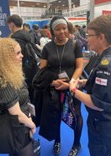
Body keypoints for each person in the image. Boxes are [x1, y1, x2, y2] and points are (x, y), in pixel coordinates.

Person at [69, 15, 111, 156]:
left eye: (89, 35)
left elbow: (97, 103)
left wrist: (73, 90)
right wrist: (86, 82)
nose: (87, 39)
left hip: (106, 124)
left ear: (101, 37)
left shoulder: (107, 66)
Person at [40, 16, 83, 156]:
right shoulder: (47, 48)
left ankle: (77, 144)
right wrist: (53, 82)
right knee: (56, 115)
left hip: (72, 86)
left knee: (76, 115)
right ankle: (57, 140)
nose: (62, 31)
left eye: (64, 28)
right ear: (52, 31)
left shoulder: (75, 45)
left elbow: (79, 67)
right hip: (55, 88)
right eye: (58, 29)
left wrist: (71, 83)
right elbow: (43, 71)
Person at [0, 38, 36, 156]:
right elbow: (17, 114)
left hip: (20, 127)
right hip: (18, 129)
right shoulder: (5, 82)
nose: (22, 55)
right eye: (17, 53)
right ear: (6, 58)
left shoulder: (11, 75)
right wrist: (32, 125)